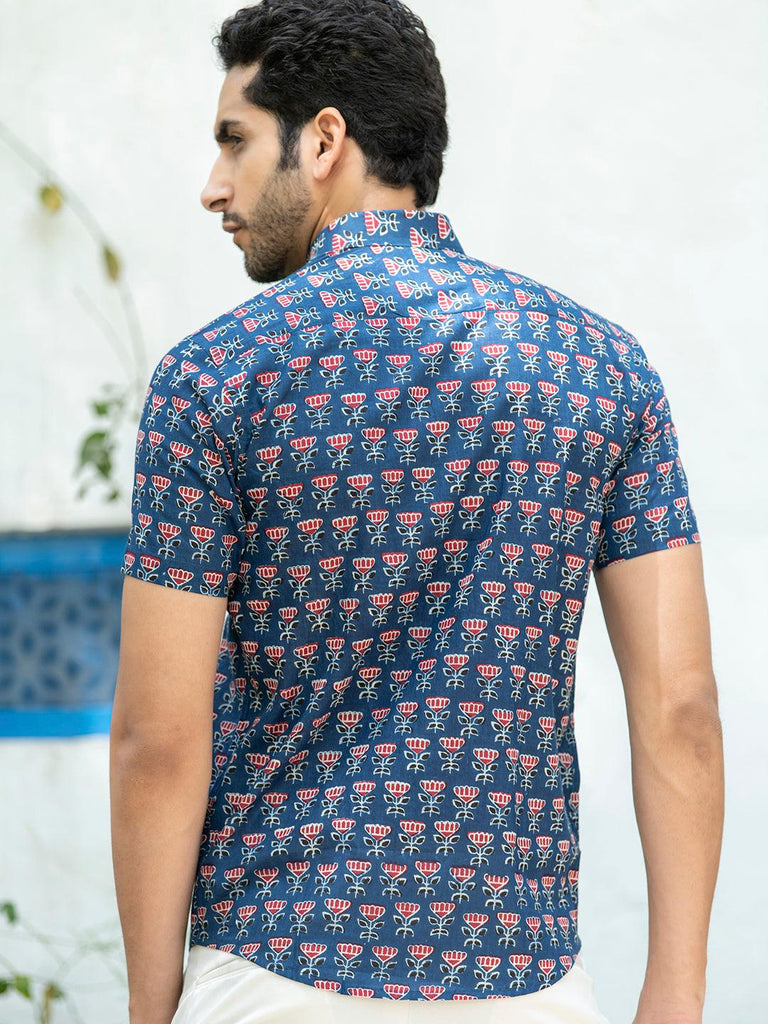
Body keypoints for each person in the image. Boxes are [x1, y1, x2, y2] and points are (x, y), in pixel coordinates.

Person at [109, 2, 724, 1022]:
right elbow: (681, 708)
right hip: (527, 986)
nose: (214, 185)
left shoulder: (214, 380)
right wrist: (676, 996)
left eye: (234, 140)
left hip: (275, 974)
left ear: (324, 141)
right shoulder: (602, 369)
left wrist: (152, 1008)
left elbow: (158, 742)